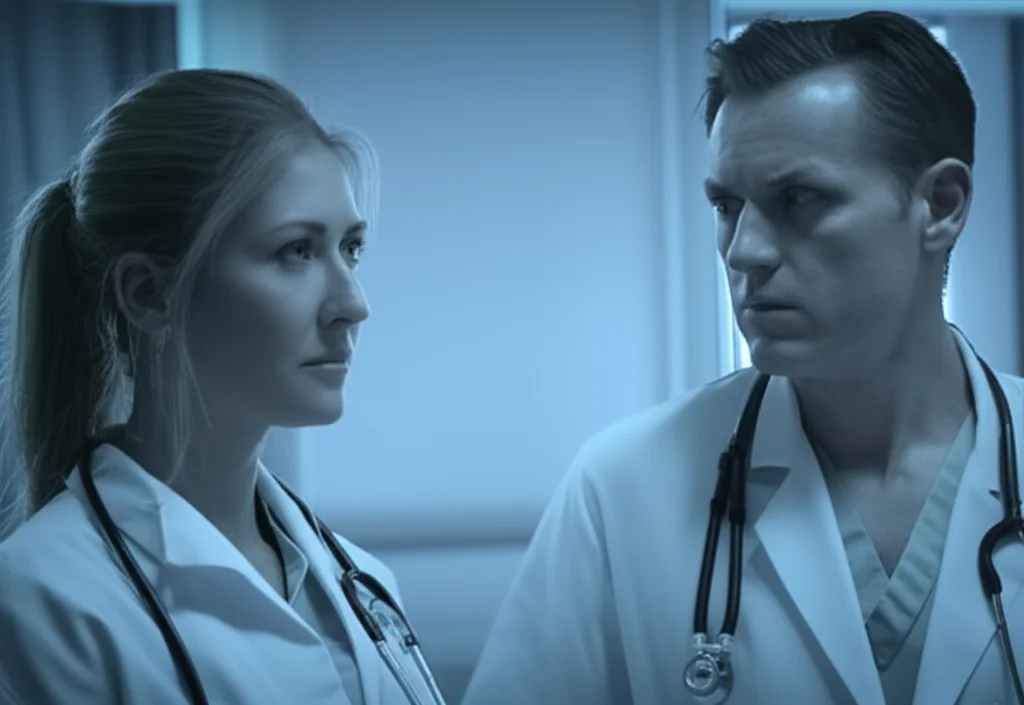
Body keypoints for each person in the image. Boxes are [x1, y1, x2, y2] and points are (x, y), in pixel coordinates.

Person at [462, 11, 1023, 705]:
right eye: (728, 205)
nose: (744, 251)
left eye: (799, 199)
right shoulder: (622, 488)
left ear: (940, 205)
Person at [0, 69, 445, 705]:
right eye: (296, 251)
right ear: (149, 294)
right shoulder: (40, 606)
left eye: (350, 249)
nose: (353, 304)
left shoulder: (365, 584)